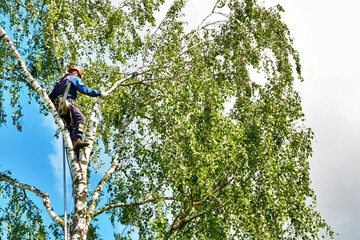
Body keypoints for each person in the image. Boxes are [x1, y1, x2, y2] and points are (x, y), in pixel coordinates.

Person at [49, 66, 107, 150]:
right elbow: (84, 90)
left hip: (61, 110)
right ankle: (77, 141)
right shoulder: (73, 78)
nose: (78, 78)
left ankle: (77, 150)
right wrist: (99, 93)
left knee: (71, 128)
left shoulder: (59, 83)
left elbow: (50, 98)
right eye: (79, 77)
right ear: (76, 73)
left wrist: (55, 109)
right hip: (69, 104)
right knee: (80, 119)